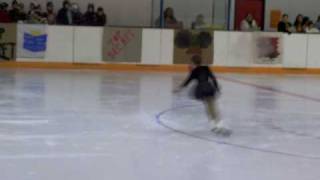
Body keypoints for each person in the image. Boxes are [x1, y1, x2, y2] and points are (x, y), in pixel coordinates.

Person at [174, 55, 230, 135]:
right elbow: (213, 78)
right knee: (213, 106)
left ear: (193, 62)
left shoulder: (194, 71)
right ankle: (219, 125)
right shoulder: (206, 68)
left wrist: (179, 89)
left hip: (201, 89)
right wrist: (216, 88)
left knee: (208, 106)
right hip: (208, 88)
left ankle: (213, 125)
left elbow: (187, 81)